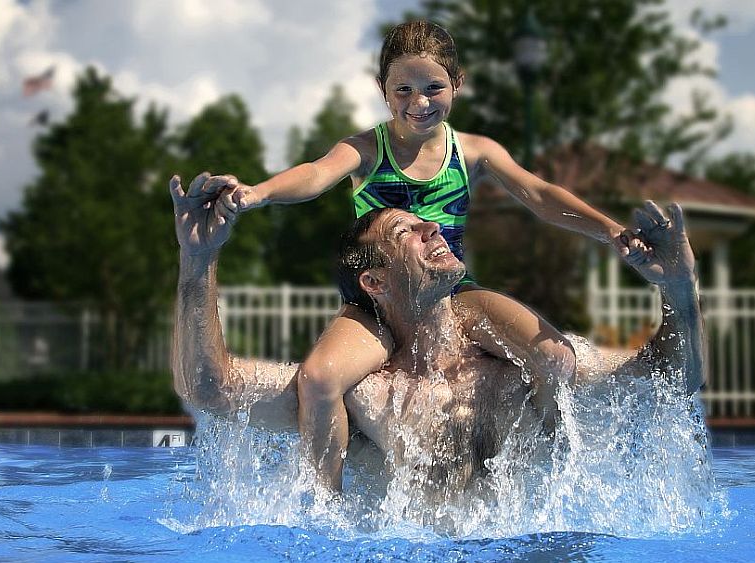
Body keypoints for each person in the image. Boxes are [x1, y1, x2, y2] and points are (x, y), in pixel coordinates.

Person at [209, 21, 650, 486]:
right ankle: (327, 505)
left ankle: (550, 472)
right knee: (318, 379)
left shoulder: (473, 151)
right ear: (383, 90)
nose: (418, 103)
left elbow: (538, 194)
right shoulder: (364, 149)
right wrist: (258, 193)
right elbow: (315, 175)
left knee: (555, 356)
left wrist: (610, 230)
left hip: (453, 293)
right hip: (379, 307)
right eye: (403, 90)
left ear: (457, 84)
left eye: (433, 88)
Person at [170, 172, 706, 495]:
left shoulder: (522, 368)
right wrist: (199, 260)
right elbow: (210, 389)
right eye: (406, 230)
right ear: (374, 283)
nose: (433, 227)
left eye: (428, 223)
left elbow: (671, 379)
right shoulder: (364, 394)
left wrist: (680, 291)